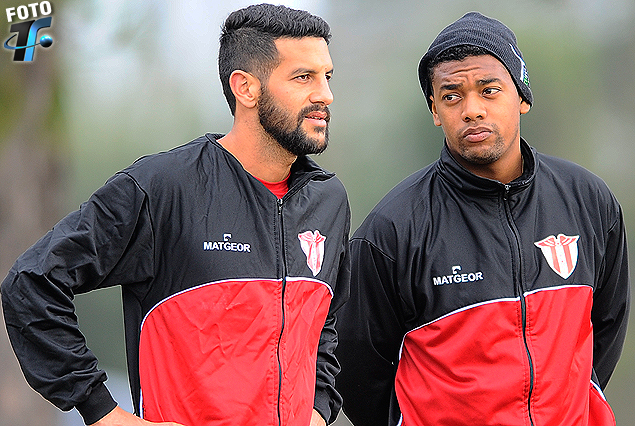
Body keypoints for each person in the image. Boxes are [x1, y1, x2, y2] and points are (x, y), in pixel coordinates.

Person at [1, 4, 350, 426]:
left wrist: (318, 410)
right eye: (303, 77)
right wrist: (104, 413)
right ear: (245, 88)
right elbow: (32, 283)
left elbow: (325, 324)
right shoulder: (162, 188)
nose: (325, 95)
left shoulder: (328, 201)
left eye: (327, 76)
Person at [335, 11, 629, 426]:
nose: (472, 110)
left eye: (489, 90)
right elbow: (357, 370)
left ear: (522, 96)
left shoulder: (588, 200)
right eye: (451, 96)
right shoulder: (393, 230)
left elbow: (606, 325)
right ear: (435, 110)